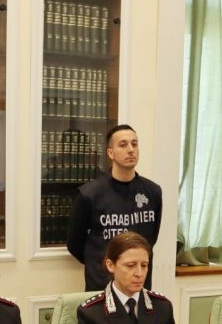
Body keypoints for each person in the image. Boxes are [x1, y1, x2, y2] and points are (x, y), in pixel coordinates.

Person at [67, 124, 162, 291]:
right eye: (123, 145)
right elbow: (75, 244)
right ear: (110, 153)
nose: (131, 149)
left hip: (140, 287)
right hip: (102, 285)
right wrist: (100, 263)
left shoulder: (153, 192)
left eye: (135, 144)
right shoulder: (89, 194)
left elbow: (151, 239)